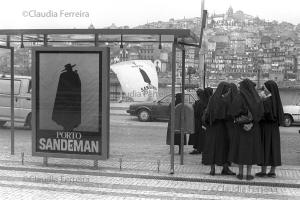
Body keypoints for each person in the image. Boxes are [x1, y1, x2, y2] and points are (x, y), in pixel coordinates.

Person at [229, 79, 264, 180]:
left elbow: (233, 111)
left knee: (241, 149)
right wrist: (252, 123)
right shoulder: (256, 98)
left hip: (240, 127)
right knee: (250, 150)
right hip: (253, 128)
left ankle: (240, 173)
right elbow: (260, 113)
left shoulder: (239, 97)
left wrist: (241, 120)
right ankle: (249, 174)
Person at [202, 82, 235, 176]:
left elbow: (207, 113)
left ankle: (212, 169)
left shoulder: (212, 99)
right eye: (228, 90)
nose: (229, 92)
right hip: (222, 128)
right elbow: (228, 115)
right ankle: (225, 168)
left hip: (211, 127)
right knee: (223, 148)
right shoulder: (225, 101)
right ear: (225, 90)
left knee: (212, 147)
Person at [256, 80, 283, 178]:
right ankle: (272, 171)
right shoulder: (276, 100)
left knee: (264, 147)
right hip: (274, 129)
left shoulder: (267, 100)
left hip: (265, 127)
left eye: (265, 87)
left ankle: (263, 171)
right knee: (273, 148)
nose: (264, 89)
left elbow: (263, 114)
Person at [188, 89, 207, 154]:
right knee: (201, 136)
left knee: (197, 136)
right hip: (201, 122)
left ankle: (197, 149)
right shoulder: (205, 101)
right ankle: (200, 148)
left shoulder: (199, 102)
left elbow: (197, 112)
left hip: (198, 121)